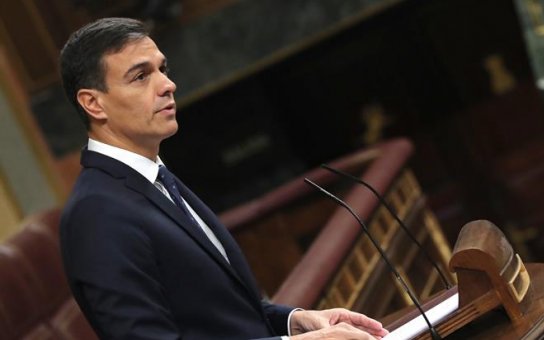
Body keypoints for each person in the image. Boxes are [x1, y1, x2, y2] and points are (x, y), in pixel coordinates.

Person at [59, 17, 389, 340]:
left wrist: (292, 321)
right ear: (93, 103)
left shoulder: (155, 177)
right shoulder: (97, 214)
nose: (167, 84)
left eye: (163, 69)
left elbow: (222, 316)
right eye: (141, 76)